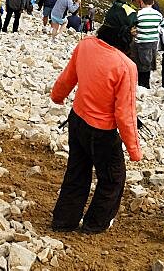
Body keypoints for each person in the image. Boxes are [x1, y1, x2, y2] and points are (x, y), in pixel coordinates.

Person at [50, 24, 142, 234]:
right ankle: (95, 224)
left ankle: (64, 221)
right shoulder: (126, 66)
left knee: (77, 171)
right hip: (102, 131)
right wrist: (134, 150)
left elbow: (68, 77)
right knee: (112, 179)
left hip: (78, 119)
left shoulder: (86, 44)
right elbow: (124, 113)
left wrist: (57, 96)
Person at [133, 0, 164, 88]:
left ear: (141, 2)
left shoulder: (139, 14)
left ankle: (142, 84)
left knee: (141, 63)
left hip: (141, 42)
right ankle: (146, 83)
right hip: (153, 42)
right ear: (153, 2)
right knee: (149, 62)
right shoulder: (158, 14)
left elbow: (134, 25)